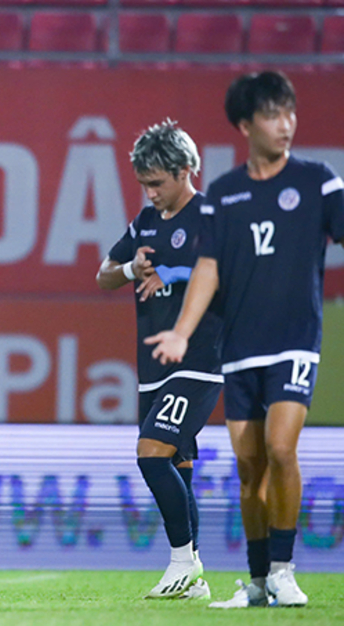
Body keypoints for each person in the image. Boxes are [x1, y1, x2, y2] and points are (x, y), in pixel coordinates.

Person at [147, 71, 344, 608]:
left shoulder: (318, 181)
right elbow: (208, 266)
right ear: (244, 124)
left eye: (290, 112)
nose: (286, 125)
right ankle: (258, 582)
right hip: (240, 347)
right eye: (273, 115)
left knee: (282, 447)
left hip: (295, 340)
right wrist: (183, 333)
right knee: (250, 463)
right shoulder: (226, 194)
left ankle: (283, 569)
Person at [96, 120, 221, 600]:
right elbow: (103, 275)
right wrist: (132, 267)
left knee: (150, 454)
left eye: (157, 183)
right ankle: (196, 579)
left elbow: (228, 275)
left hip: (198, 358)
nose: (150, 193)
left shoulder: (212, 216)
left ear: (186, 170)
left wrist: (172, 270)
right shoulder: (146, 223)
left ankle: (180, 562)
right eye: (144, 183)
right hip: (152, 366)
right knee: (179, 464)